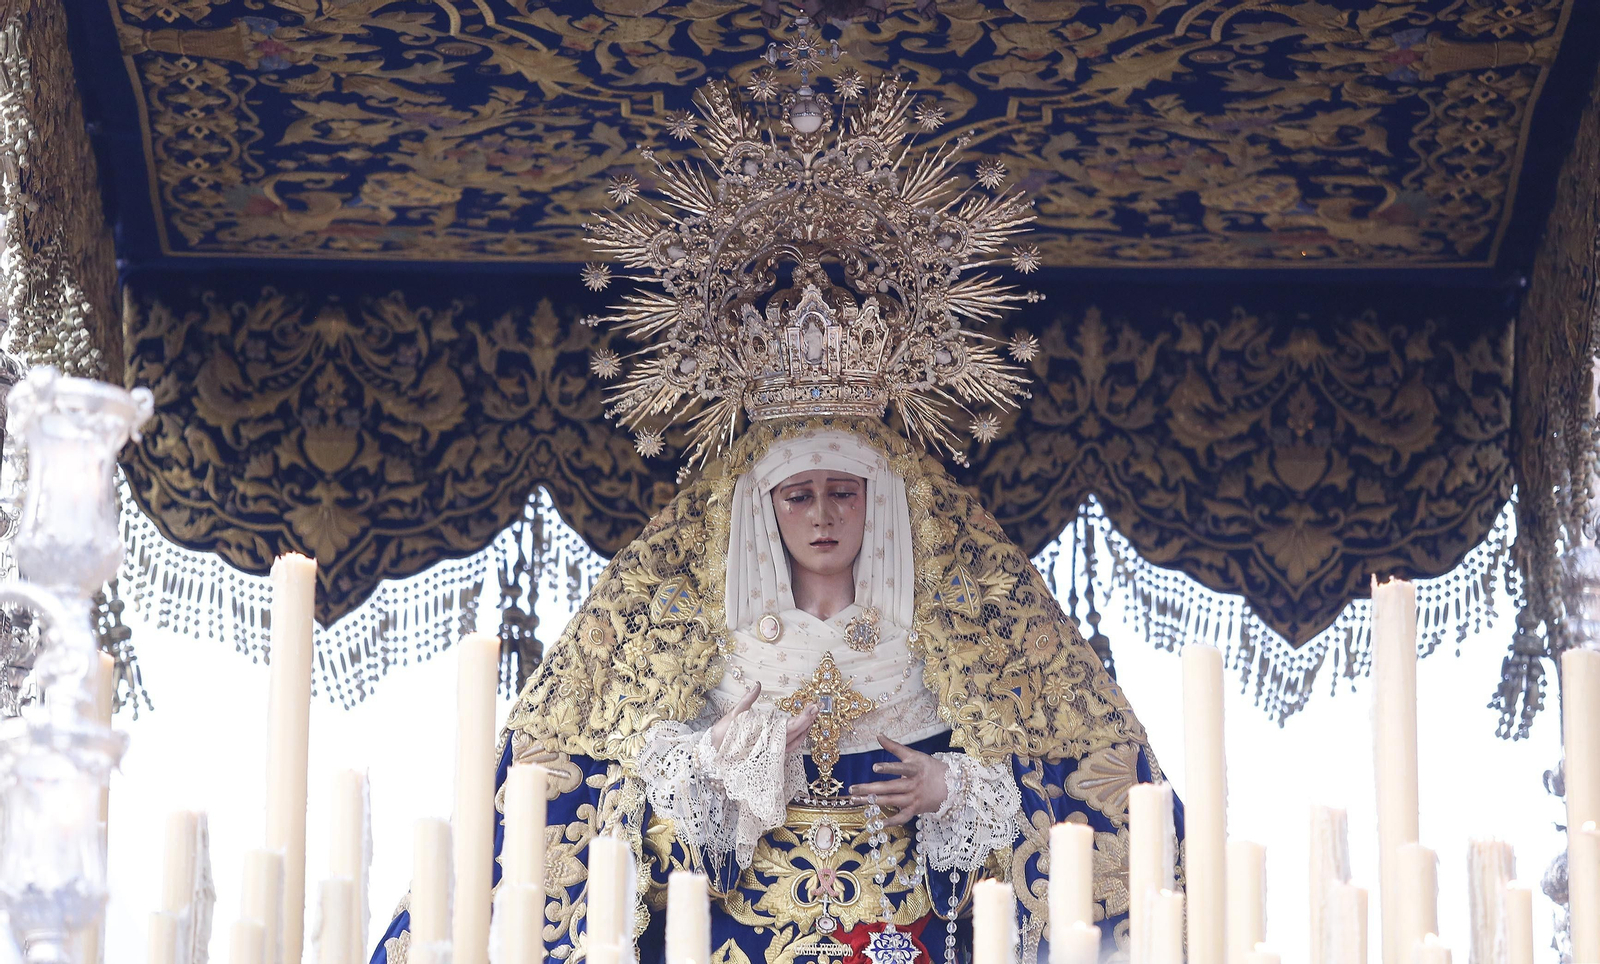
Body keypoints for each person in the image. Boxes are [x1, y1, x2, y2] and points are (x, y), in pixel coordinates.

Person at [371, 417, 1180, 964]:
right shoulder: (695, 649)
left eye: (844, 492)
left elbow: (1078, 802)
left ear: (882, 502)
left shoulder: (957, 646)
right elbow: (587, 811)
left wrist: (955, 788)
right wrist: (706, 769)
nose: (823, 515)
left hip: (902, 937)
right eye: (799, 494)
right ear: (763, 510)